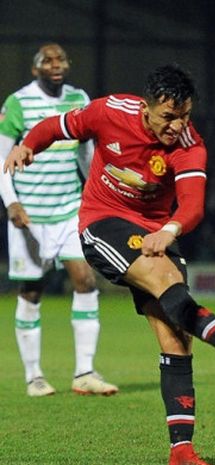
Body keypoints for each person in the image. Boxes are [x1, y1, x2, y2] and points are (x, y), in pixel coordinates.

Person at [4, 64, 215, 465]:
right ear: (145, 107)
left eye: (185, 116)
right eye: (168, 116)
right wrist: (27, 144)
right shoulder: (109, 111)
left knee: (176, 334)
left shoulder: (190, 144)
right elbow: (58, 126)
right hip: (103, 221)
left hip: (156, 229)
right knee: (167, 281)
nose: (177, 126)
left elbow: (193, 206)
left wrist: (168, 230)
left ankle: (181, 451)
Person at [0, 43, 118, 397]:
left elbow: (86, 151)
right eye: (47, 61)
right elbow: (2, 158)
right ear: (35, 69)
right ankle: (34, 375)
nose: (55, 65)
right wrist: (12, 203)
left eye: (61, 59)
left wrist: (97, 193)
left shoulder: (78, 97)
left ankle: (84, 372)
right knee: (32, 290)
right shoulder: (18, 103)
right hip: (30, 214)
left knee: (85, 280)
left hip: (70, 208)